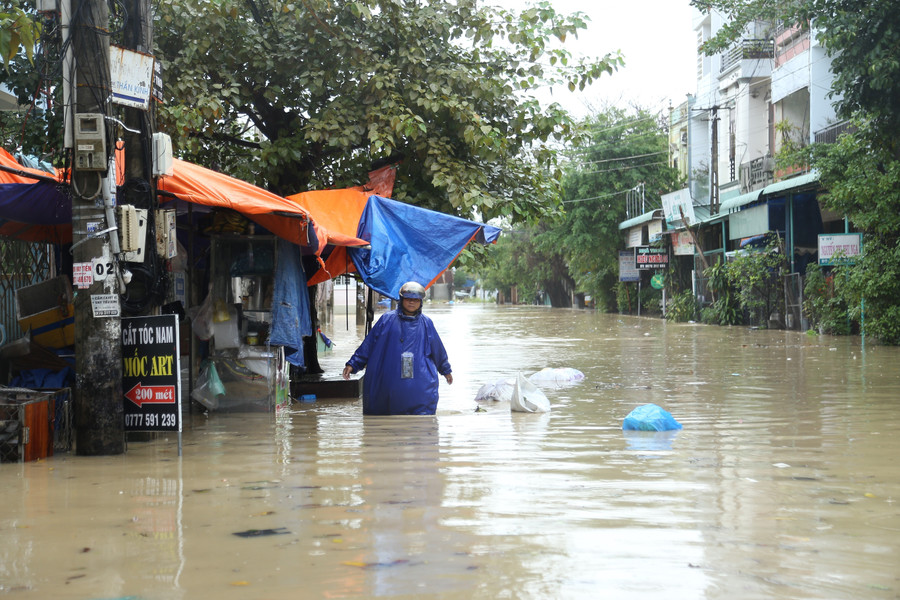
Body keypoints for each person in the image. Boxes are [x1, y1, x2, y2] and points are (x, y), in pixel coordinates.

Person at [342, 281, 453, 415]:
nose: (411, 302)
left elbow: (438, 350)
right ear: (401, 299)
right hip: (387, 380)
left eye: (415, 300)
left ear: (420, 302)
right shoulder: (386, 320)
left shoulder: (426, 323)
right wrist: (353, 364)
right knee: (384, 414)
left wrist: (446, 371)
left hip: (420, 383)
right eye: (408, 299)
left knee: (421, 421)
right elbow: (369, 344)